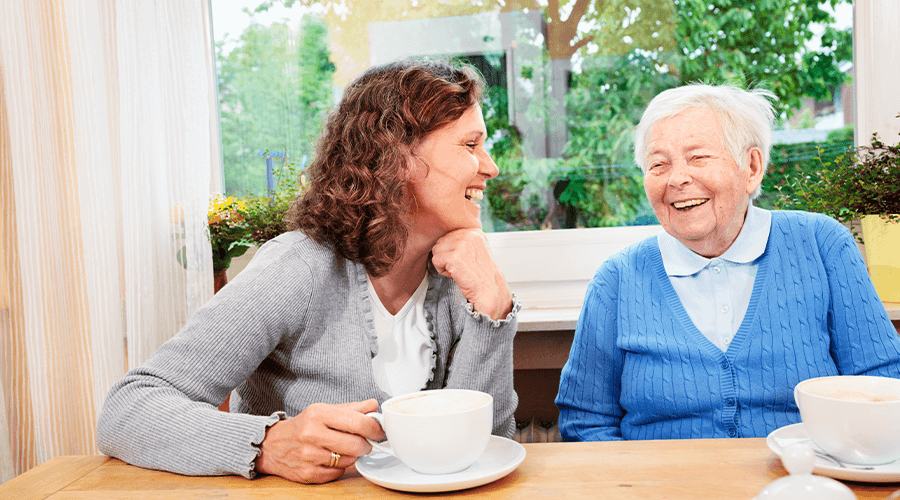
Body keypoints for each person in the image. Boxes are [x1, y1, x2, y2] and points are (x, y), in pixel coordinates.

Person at [97, 59, 520, 484]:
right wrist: (266, 444)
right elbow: (127, 409)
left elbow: (487, 446)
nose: (490, 166)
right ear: (398, 157)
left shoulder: (459, 277)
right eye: (470, 145)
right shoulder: (298, 268)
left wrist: (494, 308)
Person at [555, 83, 900, 442]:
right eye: (659, 164)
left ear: (751, 167)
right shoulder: (618, 279)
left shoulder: (822, 245)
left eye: (698, 157)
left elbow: (883, 387)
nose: (677, 179)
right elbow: (586, 422)